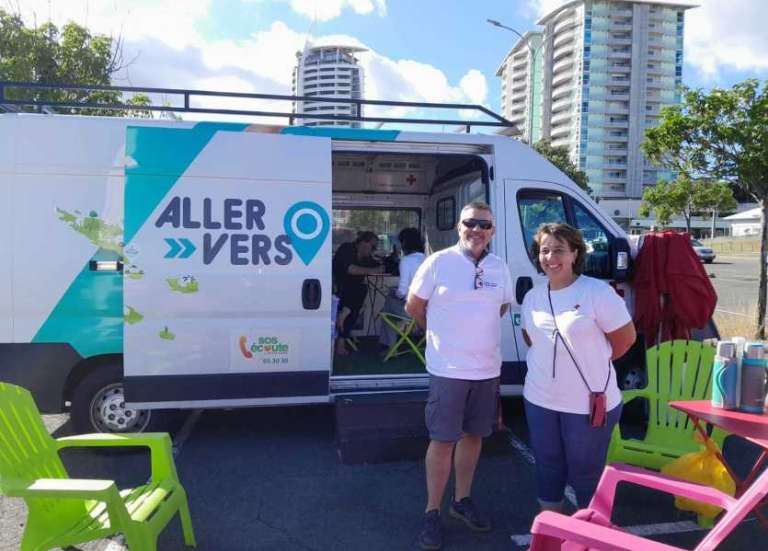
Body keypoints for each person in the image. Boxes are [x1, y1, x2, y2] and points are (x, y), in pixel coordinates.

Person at [406, 202, 514, 550]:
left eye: (484, 225)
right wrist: (439, 333)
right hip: (448, 370)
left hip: (486, 370)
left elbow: (501, 306)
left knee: (474, 437)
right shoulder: (437, 262)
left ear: (493, 231)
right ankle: (432, 511)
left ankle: (461, 500)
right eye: (470, 223)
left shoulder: (500, 266)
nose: (477, 230)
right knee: (442, 440)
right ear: (459, 226)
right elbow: (414, 306)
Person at [521, 223, 636, 512]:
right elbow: (531, 339)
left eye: (559, 250)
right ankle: (551, 533)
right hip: (539, 399)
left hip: (587, 403)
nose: (551, 257)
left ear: (575, 253)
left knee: (586, 473)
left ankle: (591, 536)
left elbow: (625, 340)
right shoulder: (533, 297)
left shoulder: (597, 292)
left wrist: (594, 361)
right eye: (544, 251)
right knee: (547, 466)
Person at [332, 231, 384, 356]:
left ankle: (345, 313)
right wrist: (373, 270)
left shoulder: (366, 257)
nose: (374, 250)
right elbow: (350, 269)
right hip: (337, 288)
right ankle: (345, 314)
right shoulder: (347, 248)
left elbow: (378, 266)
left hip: (352, 293)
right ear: (364, 243)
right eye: (373, 247)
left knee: (354, 307)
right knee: (357, 294)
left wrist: (383, 264)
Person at [379, 227, 426, 349]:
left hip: (412, 310)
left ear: (404, 243)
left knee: (386, 310)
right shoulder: (427, 258)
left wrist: (394, 293)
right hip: (427, 310)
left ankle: (389, 346)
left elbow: (402, 291)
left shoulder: (406, 260)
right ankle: (416, 331)